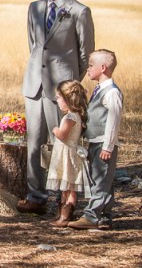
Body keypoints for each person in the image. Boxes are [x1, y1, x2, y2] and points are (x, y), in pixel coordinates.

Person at [17, 0, 95, 215]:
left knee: (62, 144)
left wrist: (69, 86)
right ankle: (36, 197)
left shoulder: (79, 11)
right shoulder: (34, 8)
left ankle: (65, 200)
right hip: (34, 86)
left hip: (61, 90)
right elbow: (34, 45)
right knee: (34, 142)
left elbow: (85, 55)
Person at [69, 49, 123, 230]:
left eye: (91, 65)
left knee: (100, 180)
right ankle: (105, 216)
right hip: (95, 141)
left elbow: (113, 121)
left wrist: (107, 147)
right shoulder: (99, 90)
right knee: (102, 180)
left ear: (103, 67)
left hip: (103, 143)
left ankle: (91, 216)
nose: (88, 69)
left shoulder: (112, 92)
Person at [46, 80, 89, 227]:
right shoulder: (73, 115)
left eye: (59, 97)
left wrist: (55, 130)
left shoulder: (70, 117)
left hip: (68, 155)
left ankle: (66, 216)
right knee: (65, 187)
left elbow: (63, 135)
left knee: (70, 186)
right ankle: (61, 214)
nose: (57, 100)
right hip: (64, 153)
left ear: (68, 99)